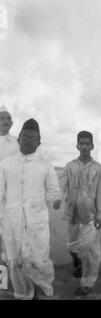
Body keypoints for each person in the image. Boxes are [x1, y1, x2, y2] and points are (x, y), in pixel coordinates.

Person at [0, 119, 61, 300]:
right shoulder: (5, 164)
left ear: (39, 142)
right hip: (11, 221)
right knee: (15, 261)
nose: (28, 140)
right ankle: (22, 294)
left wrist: (55, 200)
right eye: (25, 136)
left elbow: (53, 191)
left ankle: (43, 291)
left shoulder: (45, 164)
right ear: (18, 139)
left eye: (33, 137)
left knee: (39, 259)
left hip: (37, 222)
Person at [60, 131, 101, 296]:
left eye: (88, 143)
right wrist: (58, 198)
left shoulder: (99, 169)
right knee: (71, 246)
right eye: (82, 143)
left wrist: (100, 214)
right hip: (73, 214)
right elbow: (62, 185)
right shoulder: (70, 166)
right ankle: (77, 262)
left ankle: (87, 283)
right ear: (77, 146)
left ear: (92, 146)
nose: (85, 146)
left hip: (92, 216)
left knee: (93, 252)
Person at [0, 105, 19, 265]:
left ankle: (3, 283)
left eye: (8, 119)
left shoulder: (17, 144)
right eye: (2, 118)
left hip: (10, 199)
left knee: (8, 241)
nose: (5, 121)